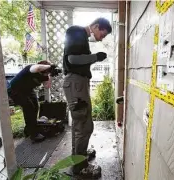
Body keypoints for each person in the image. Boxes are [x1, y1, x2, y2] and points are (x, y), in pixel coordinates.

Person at [62, 17, 112, 178]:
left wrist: (93, 57)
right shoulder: (76, 31)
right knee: (84, 125)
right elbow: (73, 59)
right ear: (96, 26)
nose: (101, 38)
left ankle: (77, 156)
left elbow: (77, 59)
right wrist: (96, 57)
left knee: (80, 124)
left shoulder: (81, 38)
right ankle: (80, 167)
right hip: (76, 83)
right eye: (102, 34)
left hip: (78, 84)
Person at [7, 60, 60, 143]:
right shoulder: (32, 68)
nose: (47, 73)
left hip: (28, 90)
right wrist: (51, 66)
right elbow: (38, 67)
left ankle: (28, 130)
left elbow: (47, 86)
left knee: (35, 106)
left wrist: (50, 75)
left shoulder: (45, 74)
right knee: (29, 108)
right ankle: (33, 135)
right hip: (15, 89)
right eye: (47, 70)